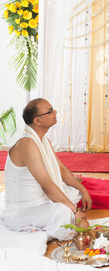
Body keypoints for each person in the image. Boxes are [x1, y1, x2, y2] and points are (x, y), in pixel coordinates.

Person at [3, 98, 93, 240]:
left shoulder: (43, 140)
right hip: (22, 212)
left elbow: (61, 170)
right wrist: (75, 211)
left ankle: (58, 218)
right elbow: (46, 185)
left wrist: (83, 190)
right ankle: (49, 229)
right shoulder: (27, 144)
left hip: (40, 202)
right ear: (37, 121)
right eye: (50, 111)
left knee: (73, 192)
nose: (55, 112)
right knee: (64, 211)